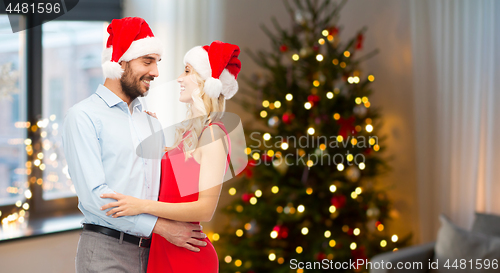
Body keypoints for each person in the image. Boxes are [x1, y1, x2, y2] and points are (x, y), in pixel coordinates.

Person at [62, 17, 208, 273]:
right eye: (147, 61)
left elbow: (166, 186)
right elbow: (96, 197)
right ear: (120, 61)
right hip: (107, 252)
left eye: (157, 62)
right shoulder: (83, 116)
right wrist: (162, 227)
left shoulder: (150, 123)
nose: (156, 72)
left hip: (155, 253)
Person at [100, 40, 242, 273]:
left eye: (187, 71)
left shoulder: (212, 134)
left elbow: (205, 209)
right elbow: (170, 186)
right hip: (162, 247)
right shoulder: (189, 135)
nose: (179, 78)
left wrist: (141, 206)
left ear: (206, 82)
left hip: (188, 255)